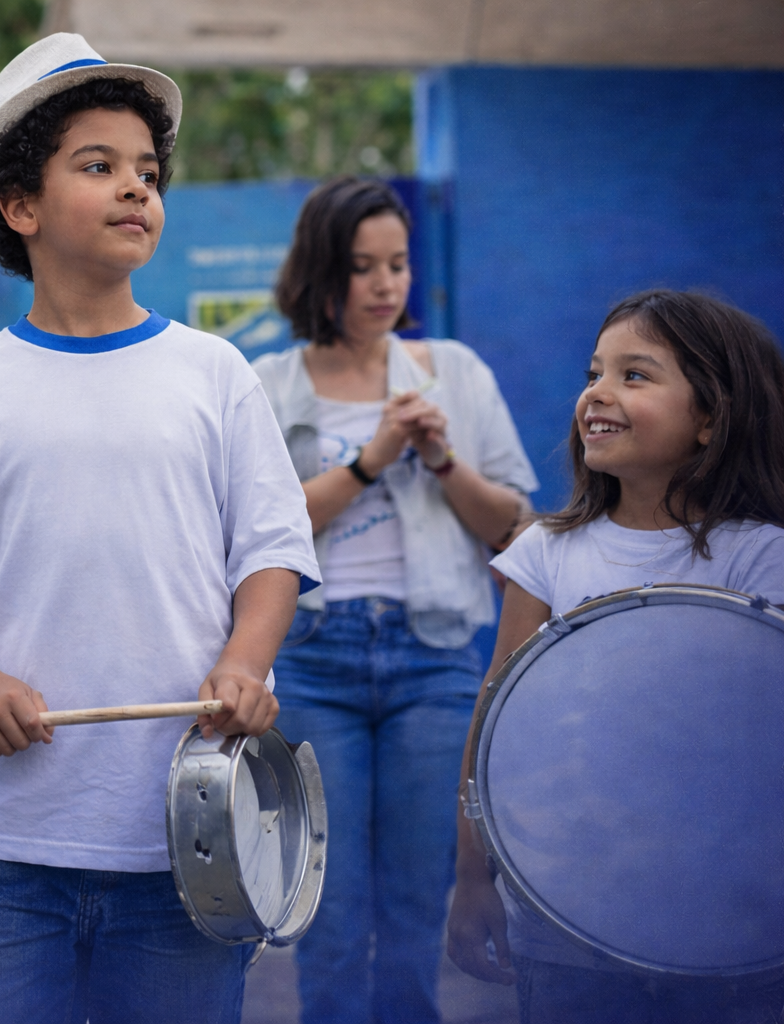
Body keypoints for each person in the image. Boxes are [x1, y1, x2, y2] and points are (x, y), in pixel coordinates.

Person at [0, 33, 319, 1024]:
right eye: (99, 166)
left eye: (148, 173)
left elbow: (274, 552)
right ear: (21, 207)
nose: (136, 190)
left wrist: (248, 661)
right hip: (6, 843)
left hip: (187, 837)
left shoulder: (213, 375)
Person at [446, 289, 784, 1022]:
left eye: (635, 375)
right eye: (594, 372)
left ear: (712, 418)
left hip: (735, 928)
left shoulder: (764, 558)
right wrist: (473, 877)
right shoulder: (547, 552)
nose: (597, 393)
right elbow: (496, 724)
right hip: (566, 926)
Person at [251, 176, 538, 1024]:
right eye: (362, 267)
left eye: (399, 265)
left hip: (436, 656)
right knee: (331, 912)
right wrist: (371, 458)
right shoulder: (267, 382)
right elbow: (262, 532)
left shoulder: (456, 374)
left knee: (419, 904)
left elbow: (517, 531)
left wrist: (445, 459)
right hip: (314, 655)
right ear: (319, 274)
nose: (386, 286)